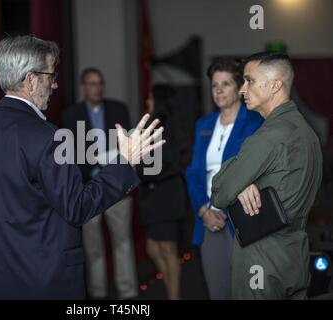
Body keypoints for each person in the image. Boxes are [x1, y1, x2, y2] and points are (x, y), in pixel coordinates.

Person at [0, 35, 164, 299]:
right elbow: (77, 207)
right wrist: (124, 163)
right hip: (45, 280)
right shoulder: (48, 136)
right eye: (50, 75)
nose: (55, 84)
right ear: (31, 80)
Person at [211, 52, 323, 299]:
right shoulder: (308, 134)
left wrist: (236, 180)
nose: (242, 89)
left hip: (261, 257)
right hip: (297, 252)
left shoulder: (268, 136)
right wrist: (242, 183)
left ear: (275, 85)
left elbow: (219, 194)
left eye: (249, 80)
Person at [185, 58, 263, 300]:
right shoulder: (204, 124)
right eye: (214, 85)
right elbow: (194, 173)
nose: (218, 90)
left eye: (225, 84)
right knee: (217, 291)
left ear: (240, 88)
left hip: (243, 218)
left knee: (248, 292)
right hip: (210, 218)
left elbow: (258, 171)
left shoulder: (255, 123)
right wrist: (203, 210)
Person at [61, 68, 138, 299]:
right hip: (88, 187)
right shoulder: (70, 114)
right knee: (92, 246)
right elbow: (69, 153)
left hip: (117, 187)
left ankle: (128, 292)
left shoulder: (118, 109)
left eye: (99, 83)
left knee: (123, 241)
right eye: (92, 83)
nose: (97, 87)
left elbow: (129, 146)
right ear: (84, 87)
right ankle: (97, 293)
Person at [138, 84, 191, 300]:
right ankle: (172, 292)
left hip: (167, 196)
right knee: (153, 248)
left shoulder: (169, 128)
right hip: (155, 197)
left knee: (168, 251)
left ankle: (174, 296)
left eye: (150, 96)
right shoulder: (153, 126)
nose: (147, 101)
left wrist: (138, 170)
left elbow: (168, 165)